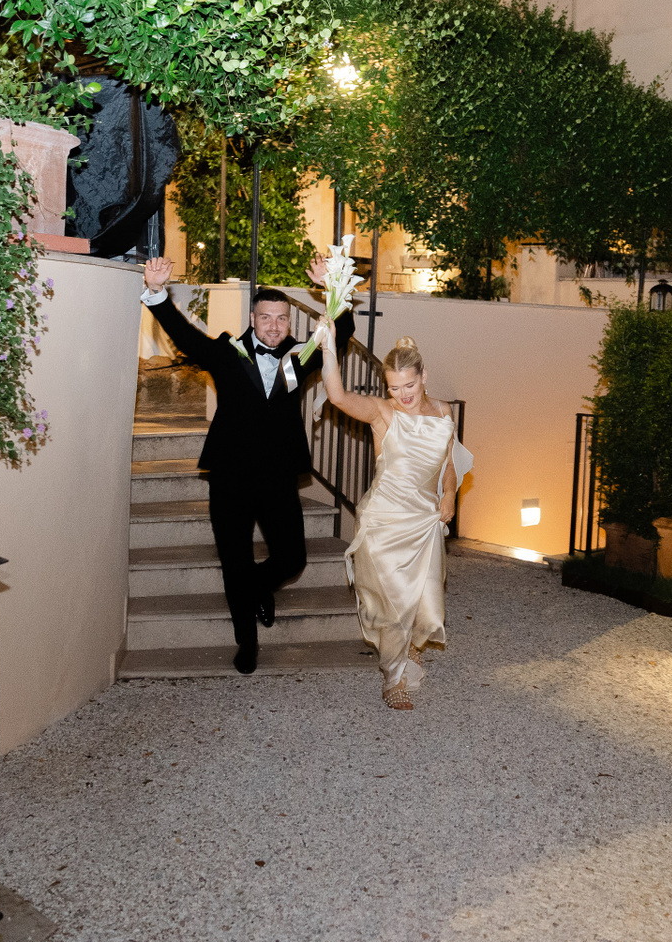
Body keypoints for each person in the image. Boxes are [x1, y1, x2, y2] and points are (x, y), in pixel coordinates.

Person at [139, 256, 352, 674]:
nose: (274, 326)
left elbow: (341, 333)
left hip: (278, 477)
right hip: (230, 477)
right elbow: (186, 337)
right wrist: (158, 292)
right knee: (234, 559)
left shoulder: (302, 355)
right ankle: (247, 642)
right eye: (266, 317)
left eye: (282, 319)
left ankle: (256, 588)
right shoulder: (227, 353)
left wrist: (333, 287)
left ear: (289, 322)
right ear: (252, 319)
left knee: (292, 559)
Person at [312, 325, 470, 709]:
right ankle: (392, 678)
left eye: (409, 386)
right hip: (384, 522)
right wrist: (329, 347)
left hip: (425, 521)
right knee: (393, 604)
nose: (402, 395)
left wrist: (449, 494)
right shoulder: (383, 413)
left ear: (424, 376)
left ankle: (413, 645)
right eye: (394, 388)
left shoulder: (444, 412)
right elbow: (338, 395)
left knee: (427, 600)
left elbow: (449, 465)